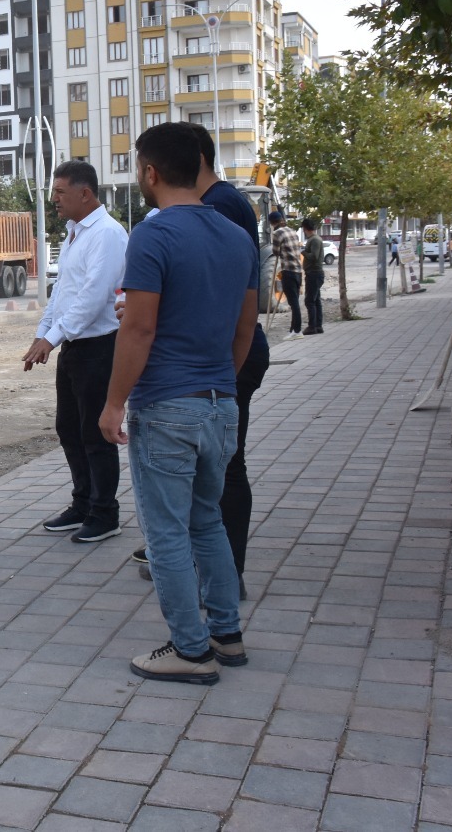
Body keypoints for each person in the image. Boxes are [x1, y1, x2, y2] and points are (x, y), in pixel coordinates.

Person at [99, 123, 258, 685]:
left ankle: (191, 651)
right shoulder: (238, 235)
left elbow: (137, 330)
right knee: (207, 521)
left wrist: (114, 403)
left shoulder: (154, 234)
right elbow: (245, 330)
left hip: (166, 406)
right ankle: (226, 635)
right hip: (220, 404)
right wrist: (219, 387)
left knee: (166, 532)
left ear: (150, 172)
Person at [131, 124, 272, 597]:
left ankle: (194, 641)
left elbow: (146, 326)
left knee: (187, 515)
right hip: (214, 379)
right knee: (207, 509)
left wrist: (115, 403)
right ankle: (225, 612)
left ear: (155, 171)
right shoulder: (226, 218)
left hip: (194, 382)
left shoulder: (215, 212)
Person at [22, 161, 128, 544]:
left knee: (95, 432)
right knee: (69, 428)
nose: (54, 201)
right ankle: (83, 503)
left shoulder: (108, 234)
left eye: (60, 193)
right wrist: (43, 335)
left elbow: (94, 296)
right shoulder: (74, 234)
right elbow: (63, 294)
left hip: (100, 346)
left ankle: (105, 513)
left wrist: (53, 338)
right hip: (74, 347)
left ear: (86, 194)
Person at [270, 211, 304, 340]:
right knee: (295, 301)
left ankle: (297, 331)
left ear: (273, 223)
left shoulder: (277, 233)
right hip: (298, 271)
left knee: (293, 303)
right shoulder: (292, 231)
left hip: (288, 271)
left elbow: (275, 251)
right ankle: (293, 329)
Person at [301, 218, 325, 335]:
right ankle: (318, 325)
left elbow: (314, 256)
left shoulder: (314, 240)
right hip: (315, 273)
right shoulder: (315, 239)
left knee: (309, 300)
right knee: (316, 300)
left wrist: (303, 251)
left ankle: (312, 326)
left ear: (305, 229)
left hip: (314, 273)